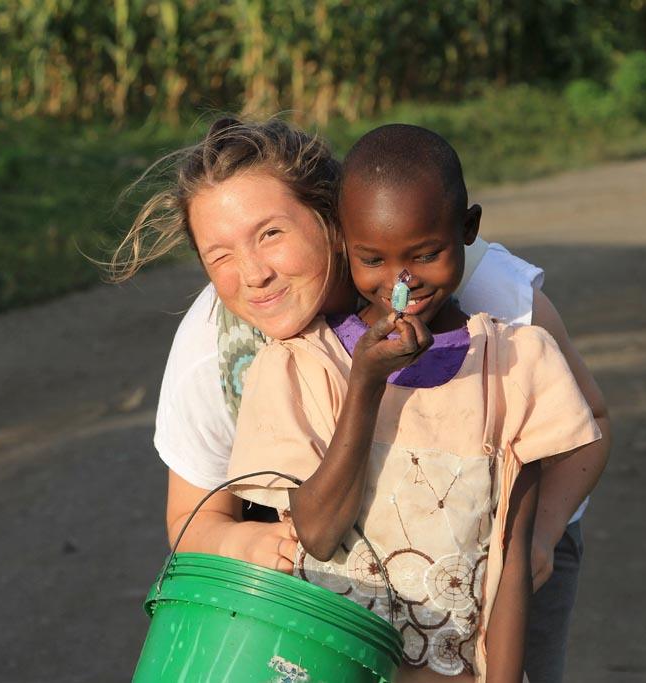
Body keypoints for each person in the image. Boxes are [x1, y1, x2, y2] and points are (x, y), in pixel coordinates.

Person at [112, 116, 611, 682]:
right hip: (330, 571)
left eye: (271, 233)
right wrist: (245, 539)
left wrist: (538, 539)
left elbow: (583, 430)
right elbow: (194, 518)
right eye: (218, 255)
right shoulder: (218, 346)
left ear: (332, 221)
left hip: (498, 543)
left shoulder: (492, 307)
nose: (253, 273)